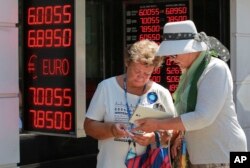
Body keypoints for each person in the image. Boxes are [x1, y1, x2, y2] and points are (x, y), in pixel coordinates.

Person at [133, 20, 247, 168]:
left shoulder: (216, 68)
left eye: (174, 54)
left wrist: (157, 124)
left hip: (225, 155)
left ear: (190, 49)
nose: (171, 59)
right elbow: (189, 114)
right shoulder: (190, 72)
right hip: (207, 156)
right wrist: (180, 135)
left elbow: (203, 117)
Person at [84, 39, 177, 168]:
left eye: (147, 73)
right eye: (137, 71)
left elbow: (175, 130)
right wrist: (112, 130)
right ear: (127, 63)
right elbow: (89, 127)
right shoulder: (107, 87)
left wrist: (154, 137)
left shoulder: (161, 93)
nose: (141, 77)